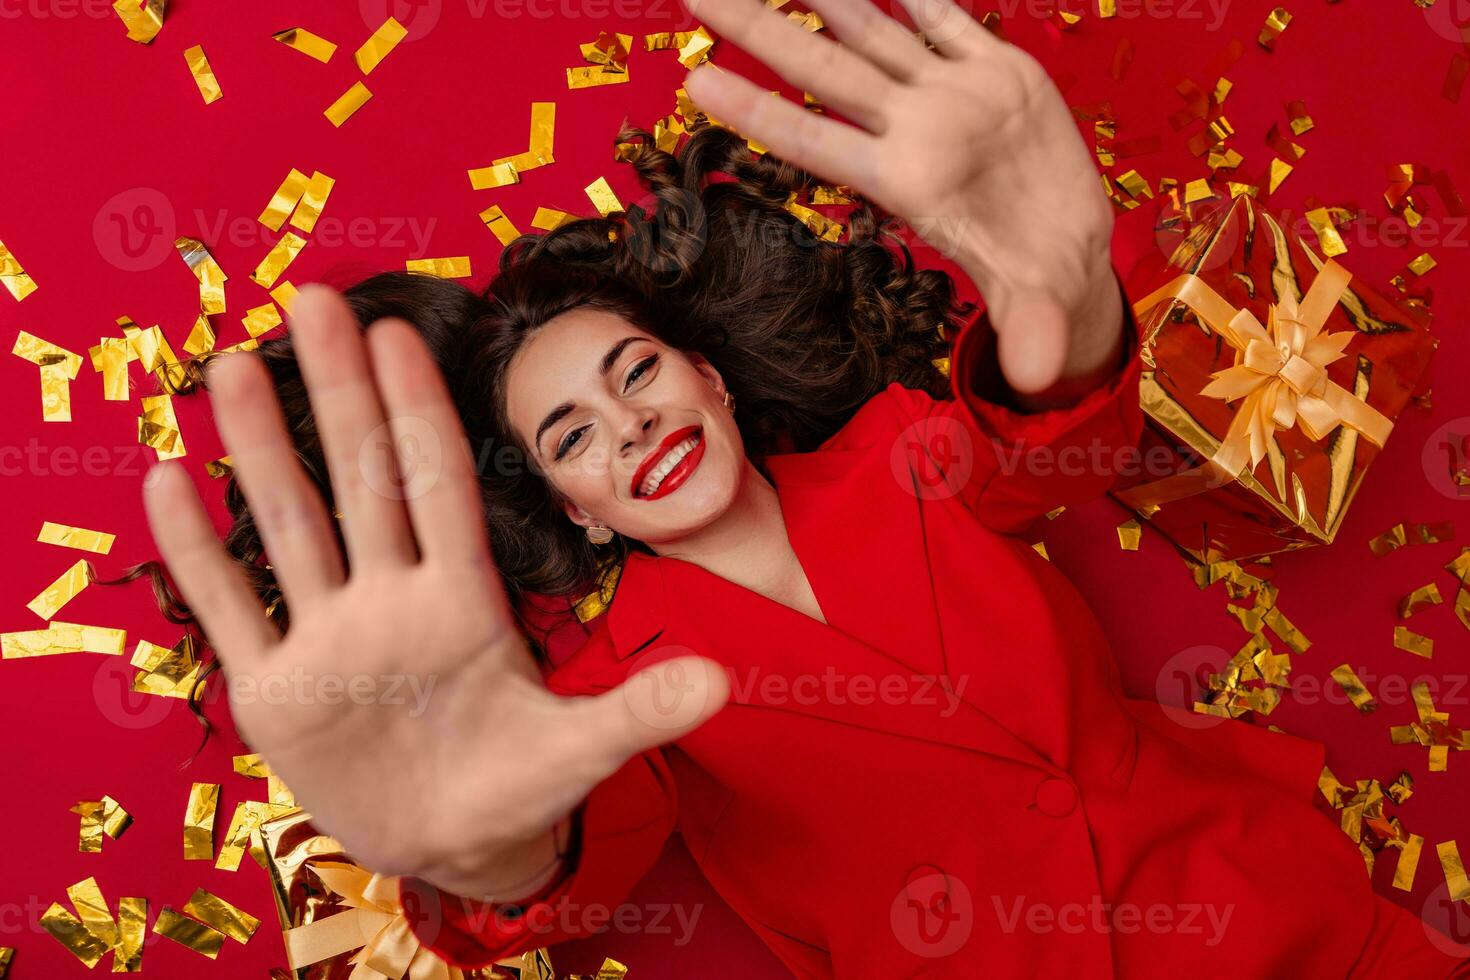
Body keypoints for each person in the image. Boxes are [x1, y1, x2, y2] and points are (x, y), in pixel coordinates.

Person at [138, 0, 1470, 975]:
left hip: (1285, 931)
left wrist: (1063, 289)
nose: (629, 424)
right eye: (572, 437)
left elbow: (1043, 437)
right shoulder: (597, 697)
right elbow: (562, 864)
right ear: (575, 510)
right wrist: (481, 865)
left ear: (709, 375)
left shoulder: (901, 455)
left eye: (635, 371)